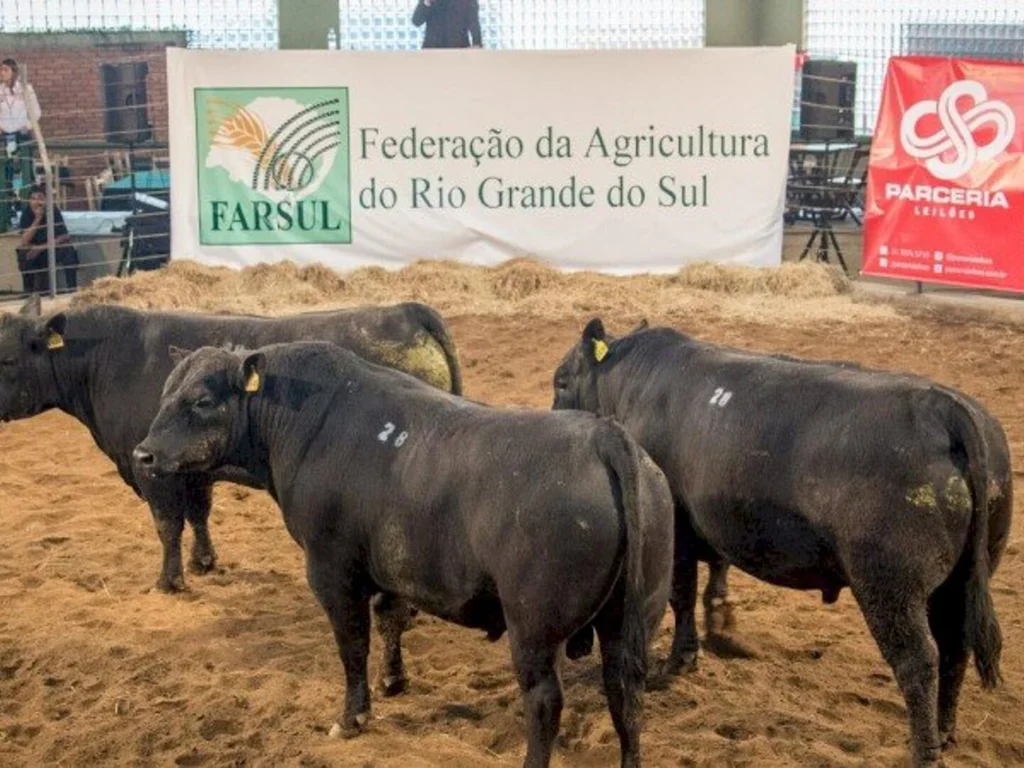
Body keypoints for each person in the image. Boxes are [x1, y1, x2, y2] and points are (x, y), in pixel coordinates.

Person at [0, 58, 41, 232]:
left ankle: (26, 218)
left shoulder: (25, 89)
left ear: (14, 72)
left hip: (21, 136)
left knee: (24, 178)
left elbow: (36, 112)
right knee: (5, 177)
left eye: (5, 70)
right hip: (4, 136)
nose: (2, 73)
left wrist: (27, 126)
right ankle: (6, 216)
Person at [17, 185, 78, 295]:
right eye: (33, 198)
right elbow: (24, 241)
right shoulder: (26, 213)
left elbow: (64, 236)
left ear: (45, 200)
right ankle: (28, 292)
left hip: (50, 248)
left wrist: (41, 248)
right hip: (34, 250)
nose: (36, 202)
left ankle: (72, 290)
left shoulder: (53, 210)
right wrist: (37, 218)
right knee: (23, 253)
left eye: (40, 198)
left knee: (69, 252)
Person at [412, 0, 482, 49]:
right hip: (432, 50)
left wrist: (476, 44)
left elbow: (474, 23)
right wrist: (427, 2)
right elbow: (416, 21)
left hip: (459, 50)